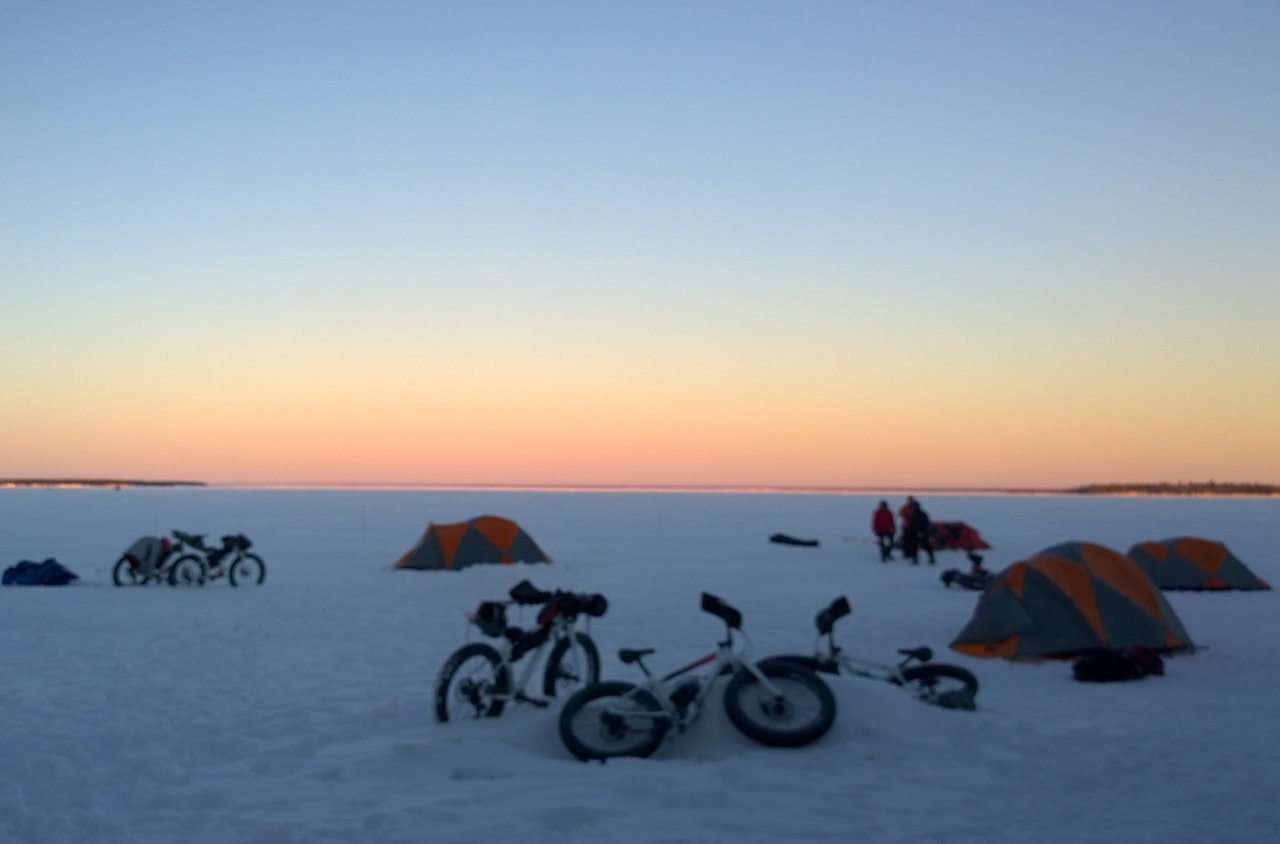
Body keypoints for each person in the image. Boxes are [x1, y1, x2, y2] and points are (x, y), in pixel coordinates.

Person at [910, 500, 935, 565]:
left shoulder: (920, 514)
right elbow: (912, 525)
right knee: (915, 547)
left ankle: (931, 559)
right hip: (916, 533)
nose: (913, 507)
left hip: (922, 533)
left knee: (926, 546)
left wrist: (922, 531)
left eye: (914, 506)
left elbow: (926, 524)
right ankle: (915, 559)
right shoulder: (914, 514)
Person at [898, 497, 918, 563]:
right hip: (906, 526)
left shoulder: (916, 507)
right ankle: (907, 553)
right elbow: (900, 513)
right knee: (906, 541)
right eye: (909, 500)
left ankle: (912, 554)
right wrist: (907, 515)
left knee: (913, 541)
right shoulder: (905, 507)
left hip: (914, 527)